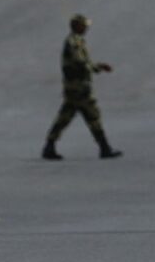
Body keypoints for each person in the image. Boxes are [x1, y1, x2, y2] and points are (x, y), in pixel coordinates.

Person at [42, 14, 122, 160]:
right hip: (79, 87)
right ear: (77, 26)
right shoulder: (74, 42)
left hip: (74, 87)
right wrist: (98, 67)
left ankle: (49, 145)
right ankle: (104, 148)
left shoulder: (76, 41)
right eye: (84, 25)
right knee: (93, 115)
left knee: (65, 117)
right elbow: (80, 62)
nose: (86, 28)